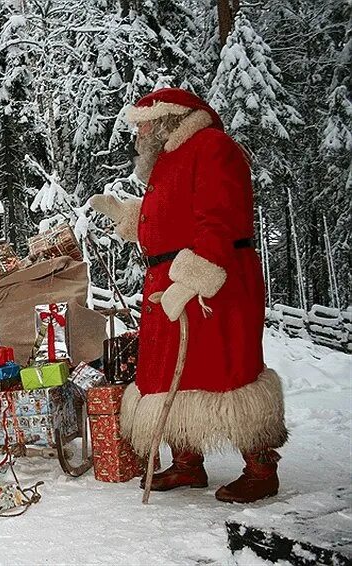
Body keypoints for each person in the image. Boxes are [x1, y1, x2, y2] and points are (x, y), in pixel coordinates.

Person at [90, 88, 287, 504]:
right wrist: (132, 216)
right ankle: (187, 464)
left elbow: (219, 216)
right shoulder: (169, 159)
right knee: (168, 372)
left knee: (228, 371)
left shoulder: (212, 148)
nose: (139, 133)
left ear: (167, 120)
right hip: (167, 281)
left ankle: (260, 468)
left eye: (143, 124)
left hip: (213, 283)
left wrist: (196, 278)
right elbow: (173, 214)